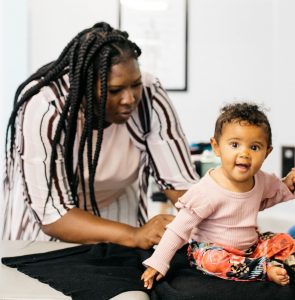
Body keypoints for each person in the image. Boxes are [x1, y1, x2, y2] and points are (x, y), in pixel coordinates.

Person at [3, 22, 198, 263]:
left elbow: (180, 182)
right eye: (115, 90)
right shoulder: (45, 106)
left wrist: (216, 220)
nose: (129, 99)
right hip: (48, 224)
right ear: (84, 87)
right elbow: (53, 215)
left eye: (135, 84)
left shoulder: (149, 94)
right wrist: (134, 235)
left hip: (117, 210)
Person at [141, 102, 295, 289]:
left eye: (254, 147)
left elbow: (268, 198)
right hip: (213, 250)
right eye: (234, 145)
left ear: (267, 153)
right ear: (216, 146)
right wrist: (158, 262)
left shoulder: (262, 179)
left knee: (284, 240)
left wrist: (288, 184)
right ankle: (264, 270)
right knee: (213, 261)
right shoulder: (207, 191)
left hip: (252, 246)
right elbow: (178, 229)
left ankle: (275, 261)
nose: (244, 153)